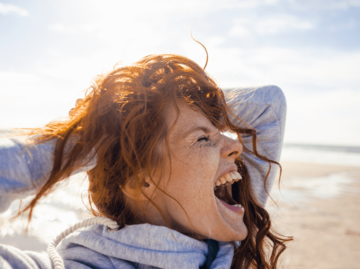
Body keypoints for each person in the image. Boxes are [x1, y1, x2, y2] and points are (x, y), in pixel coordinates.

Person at [0, 53, 291, 269]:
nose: (235, 145)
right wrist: (91, 137)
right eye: (202, 139)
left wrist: (169, 103)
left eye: (221, 132)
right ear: (140, 180)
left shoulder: (232, 248)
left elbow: (269, 106)